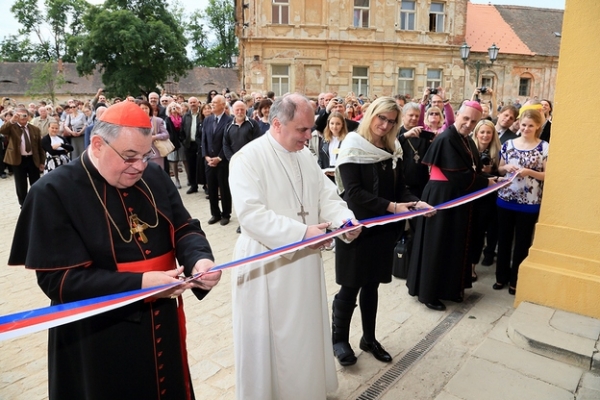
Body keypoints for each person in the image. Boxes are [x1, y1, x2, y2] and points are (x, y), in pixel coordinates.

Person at [8, 100, 222, 400]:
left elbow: (185, 227)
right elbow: (60, 282)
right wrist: (140, 285)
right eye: (129, 156)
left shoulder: (154, 176)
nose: (140, 166)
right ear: (97, 144)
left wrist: (200, 259)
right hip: (98, 336)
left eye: (146, 155)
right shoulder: (53, 192)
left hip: (161, 319)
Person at [228, 93, 361, 400]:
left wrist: (344, 220)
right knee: (271, 341)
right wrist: (303, 234)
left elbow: (325, 195)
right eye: (302, 130)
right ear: (277, 124)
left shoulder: (304, 155)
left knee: (303, 335)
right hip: (266, 263)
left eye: (311, 128)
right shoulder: (247, 159)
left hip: (304, 262)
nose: (309, 135)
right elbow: (251, 216)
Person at [332, 97, 432, 366]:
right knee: (350, 286)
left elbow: (400, 187)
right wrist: (393, 206)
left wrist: (415, 202)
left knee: (372, 285)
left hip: (384, 229)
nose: (385, 125)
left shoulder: (393, 148)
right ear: (371, 115)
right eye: (382, 118)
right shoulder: (352, 145)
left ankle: (369, 338)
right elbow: (353, 193)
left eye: (391, 121)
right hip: (356, 228)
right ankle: (339, 340)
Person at [407, 101, 496, 311]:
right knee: (437, 245)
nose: (468, 124)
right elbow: (457, 176)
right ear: (457, 115)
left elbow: (472, 170)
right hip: (442, 197)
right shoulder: (447, 138)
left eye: (473, 121)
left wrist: (492, 178)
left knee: (454, 244)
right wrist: (486, 182)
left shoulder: (466, 140)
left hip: (457, 198)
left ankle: (450, 289)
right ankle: (430, 293)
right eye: (465, 118)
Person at [494, 108, 548, 296]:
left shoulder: (544, 147)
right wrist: (506, 167)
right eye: (524, 125)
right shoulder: (508, 144)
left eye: (530, 126)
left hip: (530, 203)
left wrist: (529, 172)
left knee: (523, 242)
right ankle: (501, 276)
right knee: (504, 239)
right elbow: (499, 169)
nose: (526, 128)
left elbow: (547, 175)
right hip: (506, 199)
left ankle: (516, 280)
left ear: (537, 126)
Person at [469, 120, 502, 280]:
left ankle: (472, 266)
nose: (485, 135)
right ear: (476, 133)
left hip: (487, 200)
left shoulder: (498, 152)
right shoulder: (468, 149)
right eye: (482, 132)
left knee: (478, 233)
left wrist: (492, 170)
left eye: (489, 132)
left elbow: (502, 176)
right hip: (470, 196)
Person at [0, 107, 45, 206]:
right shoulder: (12, 127)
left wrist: (42, 162)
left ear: (28, 116)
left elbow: (39, 146)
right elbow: (2, 130)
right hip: (18, 159)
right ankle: (23, 205)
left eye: (25, 115)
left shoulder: (35, 129)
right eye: (20, 115)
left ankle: (36, 202)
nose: (23, 117)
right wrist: (12, 120)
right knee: (21, 185)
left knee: (36, 183)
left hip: (32, 159)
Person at [202, 95, 233, 226]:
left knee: (224, 188)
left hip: (222, 161)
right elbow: (204, 139)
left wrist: (219, 158)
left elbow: (229, 142)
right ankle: (215, 214)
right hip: (209, 161)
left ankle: (226, 214)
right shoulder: (207, 120)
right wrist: (206, 156)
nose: (212, 104)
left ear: (223, 105)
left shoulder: (229, 120)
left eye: (215, 102)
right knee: (212, 188)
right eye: (211, 102)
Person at [397, 102, 435, 198]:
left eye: (417, 116)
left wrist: (435, 142)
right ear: (403, 116)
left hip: (421, 183)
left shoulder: (423, 134)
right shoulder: (397, 133)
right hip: (402, 184)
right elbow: (390, 146)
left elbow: (431, 156)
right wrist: (405, 136)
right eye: (411, 115)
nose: (414, 118)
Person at [138, 100, 169, 169]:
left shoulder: (157, 120)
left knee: (157, 173)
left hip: (156, 152)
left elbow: (166, 134)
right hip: (142, 153)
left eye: (146, 108)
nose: (144, 110)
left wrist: (155, 137)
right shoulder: (136, 121)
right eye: (142, 108)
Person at [318, 111, 348, 182]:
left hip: (341, 175)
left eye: (338, 124)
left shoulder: (347, 140)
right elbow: (321, 159)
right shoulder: (324, 140)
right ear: (328, 124)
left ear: (342, 125)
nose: (334, 127)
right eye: (332, 123)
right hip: (327, 175)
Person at [181, 97, 203, 193]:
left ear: (198, 103)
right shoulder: (186, 116)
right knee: (191, 166)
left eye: (194, 102)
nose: (193, 104)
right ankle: (193, 186)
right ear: (188, 104)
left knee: (201, 165)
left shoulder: (202, 115)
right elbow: (182, 130)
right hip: (189, 145)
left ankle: (205, 186)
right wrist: (184, 141)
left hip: (200, 144)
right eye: (191, 102)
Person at [165, 102, 187, 188]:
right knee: (174, 161)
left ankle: (189, 178)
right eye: (172, 107)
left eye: (175, 107)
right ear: (169, 110)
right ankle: (177, 180)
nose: (174, 108)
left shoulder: (182, 118)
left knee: (185, 159)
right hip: (173, 142)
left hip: (181, 141)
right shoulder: (168, 119)